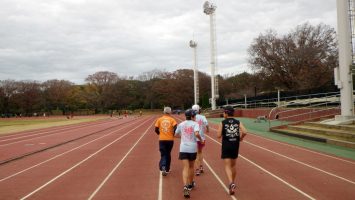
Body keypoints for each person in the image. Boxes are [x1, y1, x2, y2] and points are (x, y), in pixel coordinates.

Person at [217, 106, 247, 195]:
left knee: (227, 165)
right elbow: (245, 131)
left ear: (226, 113)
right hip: (235, 145)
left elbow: (218, 135)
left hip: (226, 145)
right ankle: (233, 182)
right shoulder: (238, 122)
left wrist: (222, 133)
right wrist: (240, 138)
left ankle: (231, 183)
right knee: (233, 165)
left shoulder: (222, 122)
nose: (223, 114)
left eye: (223, 112)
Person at [175, 109, 202, 199]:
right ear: (192, 116)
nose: (195, 117)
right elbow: (197, 133)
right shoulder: (195, 124)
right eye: (194, 115)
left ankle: (185, 186)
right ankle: (190, 184)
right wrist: (200, 140)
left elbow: (175, 135)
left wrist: (182, 138)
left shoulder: (181, 124)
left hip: (183, 148)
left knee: (185, 168)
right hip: (192, 148)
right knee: (191, 167)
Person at [154, 107, 177, 176]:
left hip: (162, 139)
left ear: (164, 112)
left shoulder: (159, 119)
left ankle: (163, 166)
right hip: (170, 140)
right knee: (168, 153)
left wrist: (159, 134)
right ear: (170, 112)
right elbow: (176, 127)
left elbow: (156, 129)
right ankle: (167, 169)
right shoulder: (172, 120)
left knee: (163, 153)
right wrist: (172, 134)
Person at [191, 104, 209, 176]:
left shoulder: (192, 117)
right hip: (201, 137)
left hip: (193, 138)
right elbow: (206, 124)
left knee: (195, 154)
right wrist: (207, 129)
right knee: (200, 152)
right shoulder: (202, 117)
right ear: (199, 110)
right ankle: (201, 167)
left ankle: (197, 169)